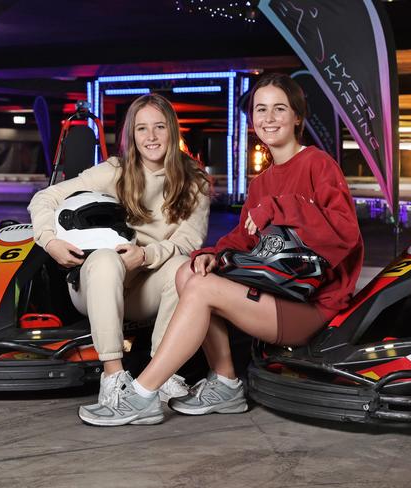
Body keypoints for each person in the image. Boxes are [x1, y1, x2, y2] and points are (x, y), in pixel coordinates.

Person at [78, 72, 364, 427]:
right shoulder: (263, 182)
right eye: (261, 110)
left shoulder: (317, 163)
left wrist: (280, 207)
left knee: (201, 288)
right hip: (273, 290)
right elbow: (243, 238)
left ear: (297, 117)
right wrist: (211, 254)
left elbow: (346, 233)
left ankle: (141, 394)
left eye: (279, 109)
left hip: (309, 305)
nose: (269, 118)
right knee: (190, 272)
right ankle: (226, 382)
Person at [28, 93, 211, 404]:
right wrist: (50, 240)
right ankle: (113, 377)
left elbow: (188, 241)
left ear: (172, 131)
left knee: (185, 267)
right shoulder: (114, 170)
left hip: (145, 286)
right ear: (132, 135)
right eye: (142, 129)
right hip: (95, 284)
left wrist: (146, 255)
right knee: (105, 260)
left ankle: (161, 373)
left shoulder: (196, 182)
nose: (151, 137)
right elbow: (44, 199)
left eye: (159, 127)